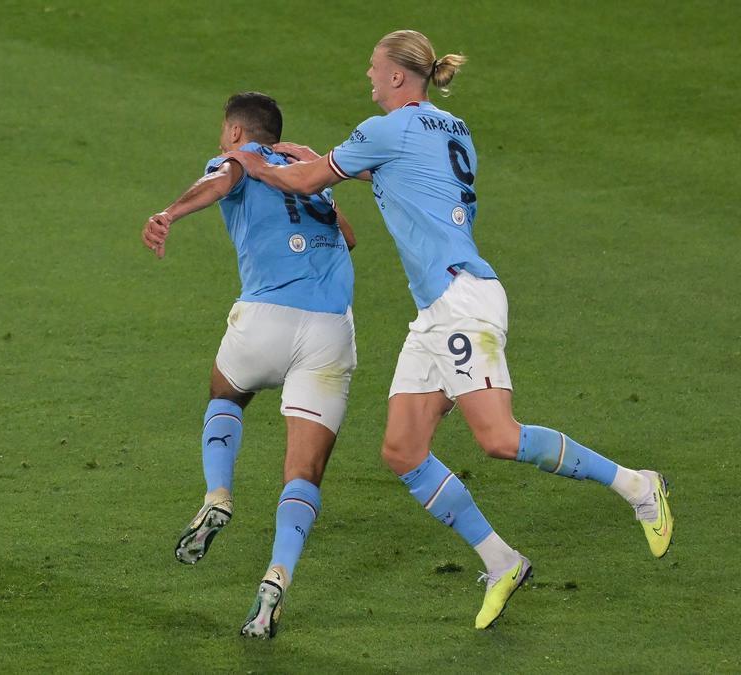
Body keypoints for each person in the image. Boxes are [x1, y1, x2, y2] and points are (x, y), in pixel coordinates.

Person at [224, 30, 672, 629]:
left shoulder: (385, 129)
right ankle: (503, 559)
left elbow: (310, 184)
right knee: (403, 450)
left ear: (398, 78)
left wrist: (255, 160)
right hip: (437, 311)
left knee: (499, 437)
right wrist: (319, 158)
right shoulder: (450, 127)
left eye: (374, 69)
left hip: (462, 300)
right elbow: (404, 175)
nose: (367, 76)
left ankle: (639, 486)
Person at [143, 92, 359, 638]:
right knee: (304, 471)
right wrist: (312, 169)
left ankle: (218, 495)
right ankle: (275, 582)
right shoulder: (310, 171)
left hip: (266, 318)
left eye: (224, 131)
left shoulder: (240, 161)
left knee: (226, 392)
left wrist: (170, 212)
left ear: (238, 133)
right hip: (331, 330)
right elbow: (350, 238)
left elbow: (217, 182)